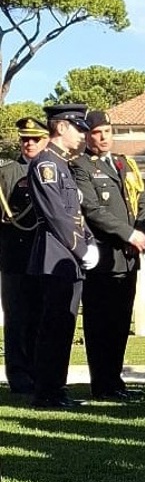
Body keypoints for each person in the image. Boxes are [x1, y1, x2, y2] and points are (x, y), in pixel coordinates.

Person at [71, 110, 145, 402]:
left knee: (120, 323)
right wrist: (127, 234)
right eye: (96, 132)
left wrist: (141, 231)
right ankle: (102, 384)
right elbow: (92, 210)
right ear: (87, 136)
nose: (103, 137)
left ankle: (115, 381)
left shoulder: (124, 163)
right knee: (100, 324)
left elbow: (141, 200)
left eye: (106, 131)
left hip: (128, 256)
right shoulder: (80, 166)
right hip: (103, 258)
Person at [27, 104, 99, 410]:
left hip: (67, 257)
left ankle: (56, 389)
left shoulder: (62, 165)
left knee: (64, 326)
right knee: (54, 326)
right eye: (78, 129)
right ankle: (46, 393)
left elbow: (75, 214)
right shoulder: (47, 165)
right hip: (55, 254)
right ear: (61, 127)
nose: (83, 135)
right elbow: (56, 215)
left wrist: (90, 241)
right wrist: (81, 249)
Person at [0, 117, 49, 396]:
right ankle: (19, 376)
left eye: (34, 138)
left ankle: (41, 372)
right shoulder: (7, 173)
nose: (28, 143)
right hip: (16, 258)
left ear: (45, 140)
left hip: (45, 256)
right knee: (18, 319)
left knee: (41, 318)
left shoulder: (54, 169)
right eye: (24, 139)